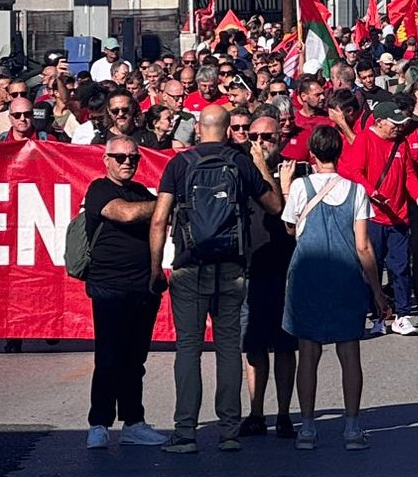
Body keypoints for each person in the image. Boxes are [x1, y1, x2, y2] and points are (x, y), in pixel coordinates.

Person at [148, 106, 283, 454]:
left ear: (198, 131)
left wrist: (154, 269)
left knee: (189, 349)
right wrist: (261, 165)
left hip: (190, 267)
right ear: (226, 131)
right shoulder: (238, 164)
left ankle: (186, 431)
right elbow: (274, 205)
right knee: (227, 350)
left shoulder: (179, 164)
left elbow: (159, 219)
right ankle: (229, 431)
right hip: (232, 268)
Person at [280, 125, 390, 450]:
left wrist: (286, 189)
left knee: (308, 354)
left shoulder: (301, 186)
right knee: (349, 353)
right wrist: (377, 290)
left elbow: (290, 228)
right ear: (340, 153)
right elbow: (363, 246)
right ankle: (352, 427)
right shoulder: (356, 192)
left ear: (312, 154)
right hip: (344, 277)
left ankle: (308, 427)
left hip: (308, 276)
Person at [82, 137, 166, 450]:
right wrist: (165, 203)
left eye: (133, 157)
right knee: (109, 357)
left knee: (135, 360)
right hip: (110, 288)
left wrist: (156, 273)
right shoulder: (99, 189)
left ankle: (133, 422)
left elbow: (158, 226)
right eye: (119, 157)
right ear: (106, 159)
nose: (127, 162)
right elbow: (126, 214)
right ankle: (99, 424)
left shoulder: (142, 192)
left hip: (143, 287)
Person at [338, 98, 418, 335]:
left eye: (401, 123)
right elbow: (352, 171)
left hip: (399, 217)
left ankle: (403, 314)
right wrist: (371, 191)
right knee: (373, 268)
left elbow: (409, 174)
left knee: (400, 267)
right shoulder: (365, 141)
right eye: (394, 123)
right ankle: (378, 316)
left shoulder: (401, 144)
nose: (399, 128)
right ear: (379, 123)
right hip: (372, 217)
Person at [238, 113, 298, 441]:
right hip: (251, 268)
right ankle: (256, 411)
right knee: (253, 346)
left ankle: (286, 414)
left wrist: (266, 169)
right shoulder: (242, 168)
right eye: (255, 137)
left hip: (286, 267)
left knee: (285, 347)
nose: (261, 143)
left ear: (281, 138)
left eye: (268, 137)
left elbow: (285, 213)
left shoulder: (294, 171)